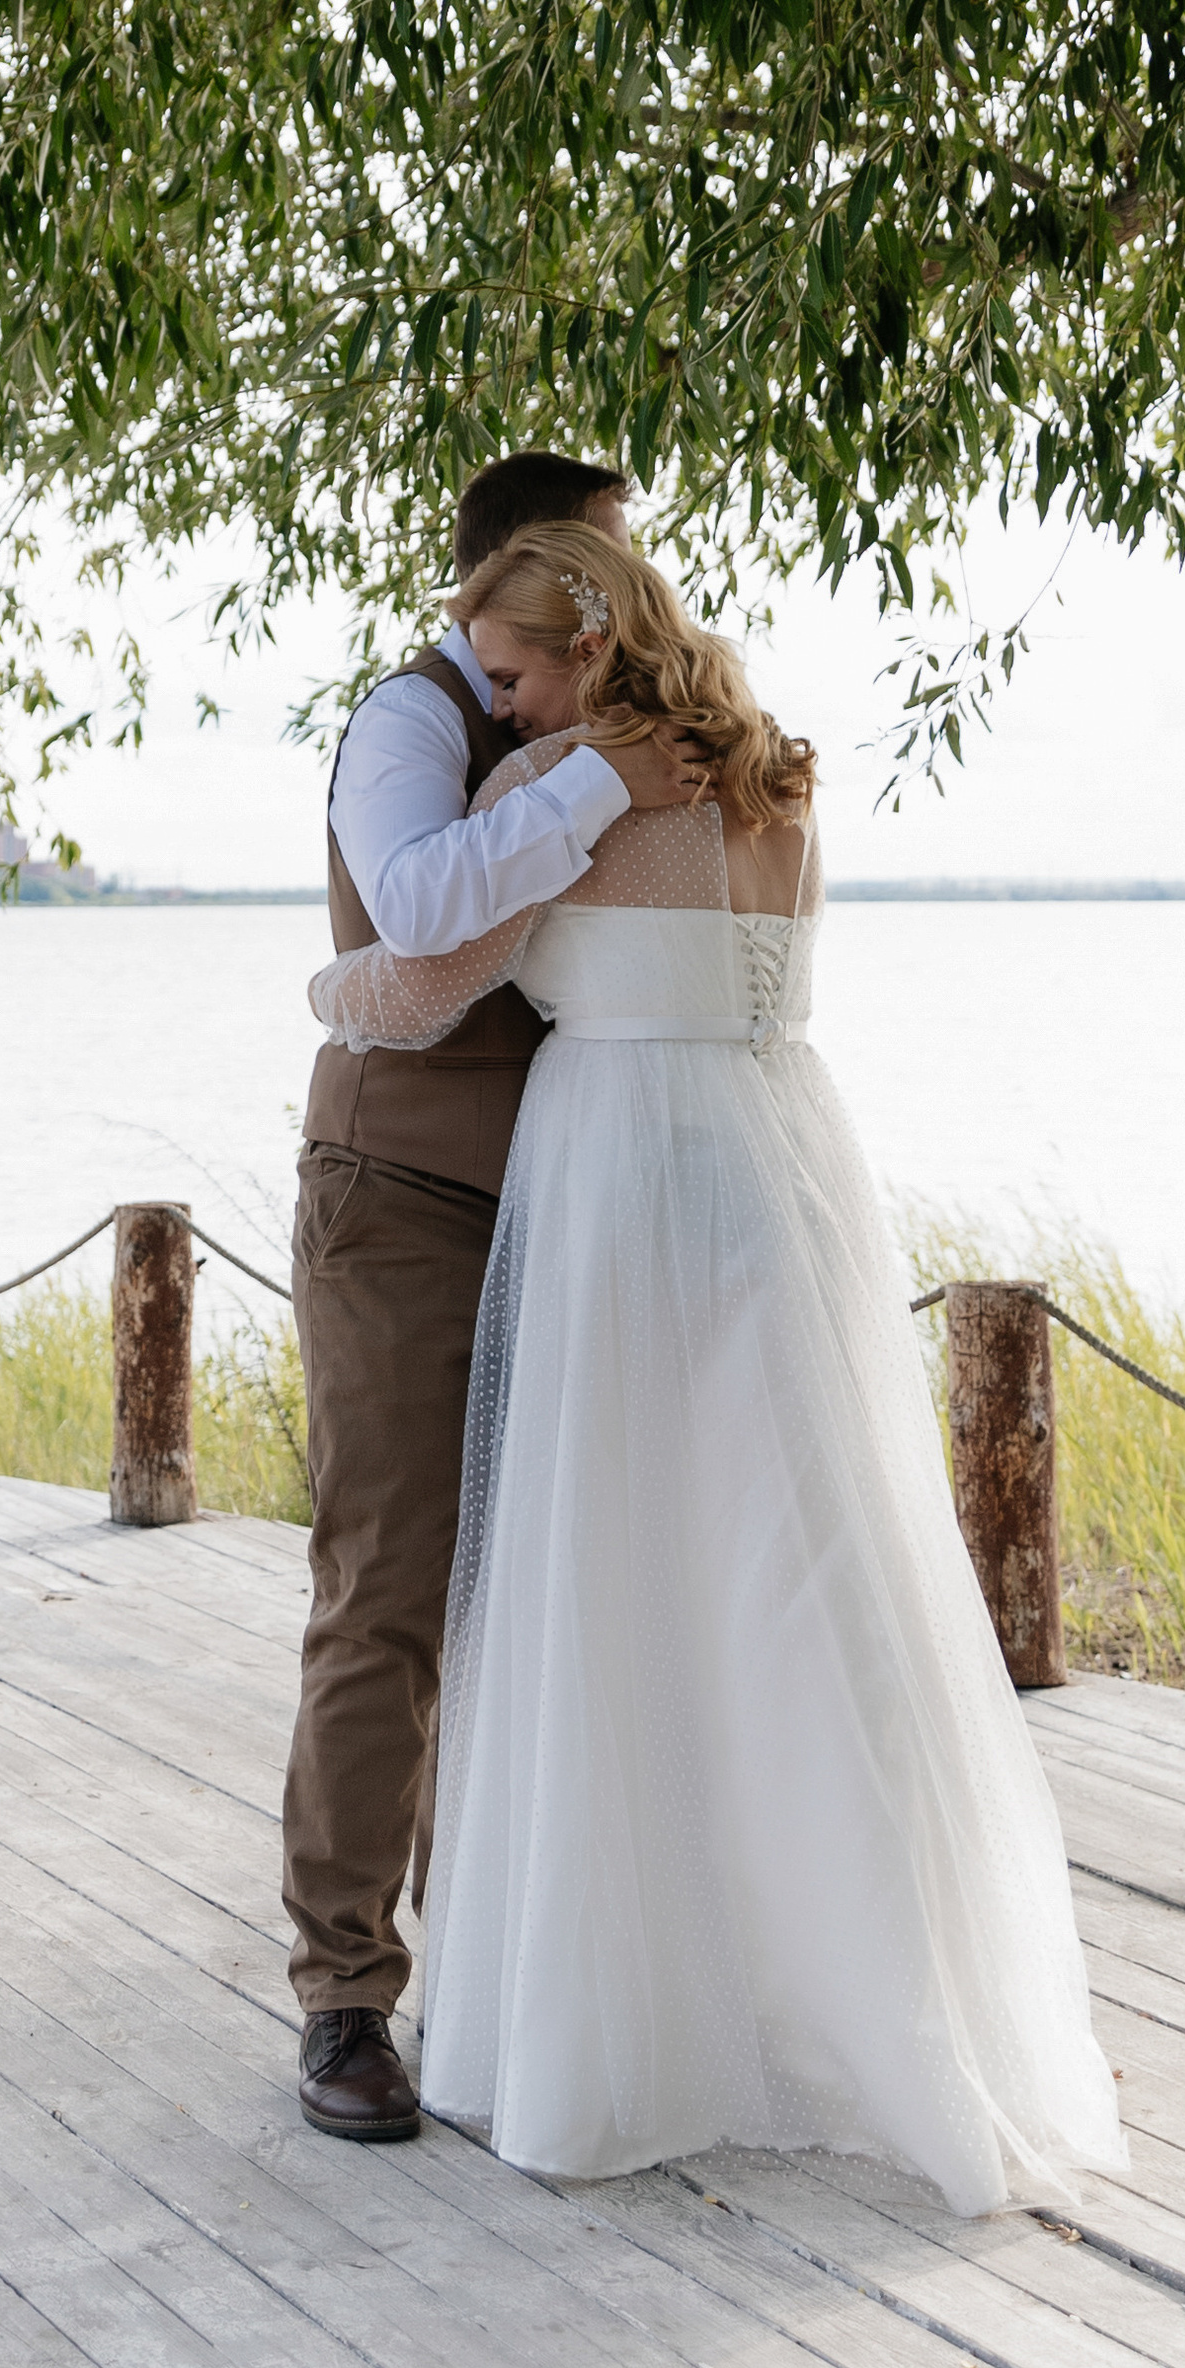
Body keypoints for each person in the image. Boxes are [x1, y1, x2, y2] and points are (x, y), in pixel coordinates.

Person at [307, 524, 1127, 2205]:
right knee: (796, 1581)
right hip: (783, 1179)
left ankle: (614, 2004)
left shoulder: (560, 782)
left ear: (591, 652)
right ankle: (854, 1990)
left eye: (514, 669)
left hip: (618, 1187)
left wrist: (326, 982)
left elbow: (414, 983)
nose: (494, 700)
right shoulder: (780, 778)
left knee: (603, 1585)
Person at [284, 453, 708, 2142]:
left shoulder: (627, 737)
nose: (628, 602)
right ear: (508, 572)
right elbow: (417, 909)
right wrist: (595, 783)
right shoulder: (410, 721)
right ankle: (343, 1993)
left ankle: (503, 1977)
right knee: (388, 1594)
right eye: (600, 571)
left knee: (541, 1594)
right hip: (399, 1202)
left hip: (572, 1204)